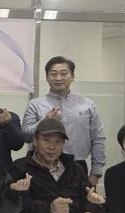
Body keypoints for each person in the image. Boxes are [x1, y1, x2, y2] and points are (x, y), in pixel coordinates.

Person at [22, 56, 106, 186]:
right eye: (53, 74)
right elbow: (26, 136)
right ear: (47, 77)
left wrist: (96, 172)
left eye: (63, 73)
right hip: (41, 165)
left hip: (77, 165)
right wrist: (45, 121)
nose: (58, 78)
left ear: (72, 76)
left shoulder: (87, 105)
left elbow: (98, 138)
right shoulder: (35, 104)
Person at [11, 118, 107, 213]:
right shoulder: (19, 168)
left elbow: (90, 201)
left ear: (63, 144)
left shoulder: (75, 168)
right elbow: (16, 207)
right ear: (35, 141)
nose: (52, 147)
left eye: (58, 142)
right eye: (46, 140)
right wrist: (49, 208)